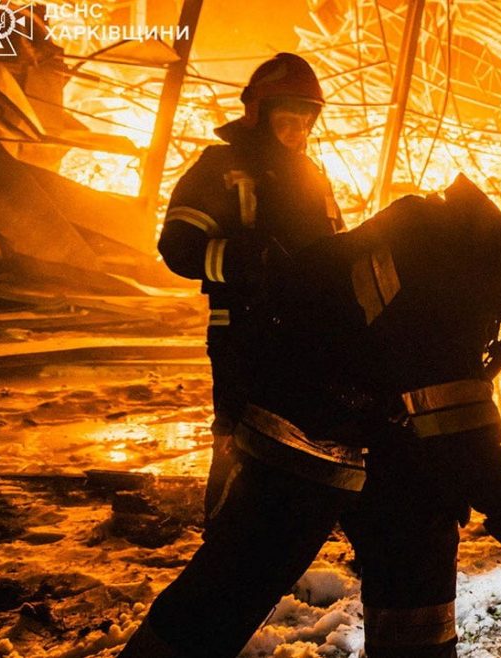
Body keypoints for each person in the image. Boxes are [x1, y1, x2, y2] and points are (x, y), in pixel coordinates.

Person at [119, 172, 501, 658]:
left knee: (419, 538)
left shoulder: (454, 239)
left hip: (360, 426)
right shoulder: (460, 266)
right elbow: (463, 438)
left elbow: (420, 395)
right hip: (300, 430)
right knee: (231, 589)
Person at [156, 53, 345, 519]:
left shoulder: (313, 176)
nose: (297, 132)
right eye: (286, 121)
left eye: (305, 122)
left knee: (305, 445)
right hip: (244, 332)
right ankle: (221, 536)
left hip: (308, 336)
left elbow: (336, 248)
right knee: (238, 445)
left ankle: (283, 538)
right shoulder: (220, 168)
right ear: (258, 114)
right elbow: (177, 247)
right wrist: (246, 261)